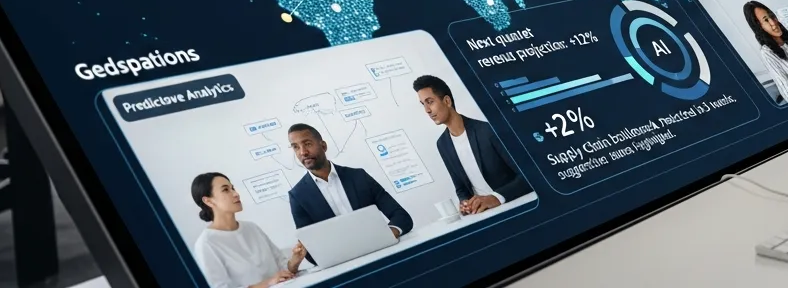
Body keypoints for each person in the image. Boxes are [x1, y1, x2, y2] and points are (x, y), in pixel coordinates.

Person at [413, 75, 532, 214]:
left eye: (430, 102)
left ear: (447, 101)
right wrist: (465, 202)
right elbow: (461, 188)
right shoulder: (443, 144)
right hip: (481, 214)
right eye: (423, 104)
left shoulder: (488, 131)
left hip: (513, 206)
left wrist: (496, 198)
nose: (427, 110)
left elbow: (528, 175)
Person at [286, 124, 412, 254]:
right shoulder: (298, 196)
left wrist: (385, 236)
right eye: (296, 147)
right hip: (343, 261)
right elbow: (308, 247)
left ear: (323, 146)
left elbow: (401, 216)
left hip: (382, 252)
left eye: (307, 144)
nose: (303, 152)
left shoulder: (359, 177)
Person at [190, 172, 305, 288]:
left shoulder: (252, 228)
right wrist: (267, 283)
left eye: (233, 188)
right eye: (225, 190)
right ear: (208, 201)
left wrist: (295, 261)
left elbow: (282, 269)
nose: (236, 194)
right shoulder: (206, 244)